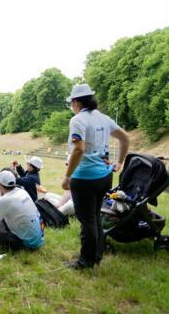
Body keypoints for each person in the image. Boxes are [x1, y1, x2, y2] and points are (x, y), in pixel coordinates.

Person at [62, 84, 129, 270]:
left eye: (71, 103)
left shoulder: (77, 120)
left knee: (87, 220)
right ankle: (96, 255)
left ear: (76, 101)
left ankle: (86, 261)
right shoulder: (104, 118)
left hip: (84, 178)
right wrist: (119, 162)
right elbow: (125, 138)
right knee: (95, 217)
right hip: (105, 177)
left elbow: (78, 150)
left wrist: (67, 177)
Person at [0, 170, 44, 250]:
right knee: (1, 220)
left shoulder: (4, 199)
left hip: (26, 244)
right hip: (39, 238)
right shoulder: (22, 191)